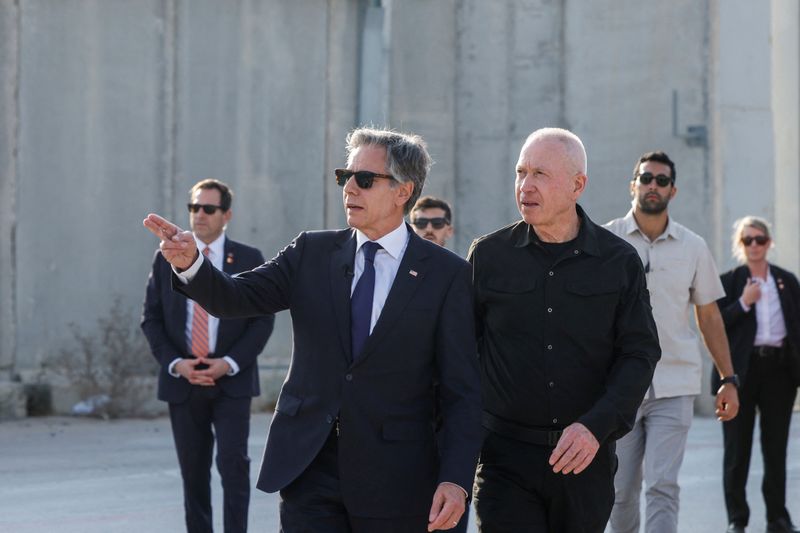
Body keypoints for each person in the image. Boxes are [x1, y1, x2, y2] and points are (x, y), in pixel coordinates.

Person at [143, 127, 483, 532]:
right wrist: (191, 264)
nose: (349, 189)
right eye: (345, 177)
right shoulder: (311, 252)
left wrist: (456, 479)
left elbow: (462, 391)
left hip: (398, 477)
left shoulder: (447, 275)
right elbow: (234, 298)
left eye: (365, 179)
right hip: (309, 467)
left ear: (403, 191)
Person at [468, 127, 661, 532]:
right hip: (505, 460)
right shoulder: (488, 256)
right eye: (521, 172)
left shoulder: (618, 261)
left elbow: (639, 353)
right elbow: (460, 352)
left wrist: (597, 426)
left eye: (540, 174)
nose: (525, 186)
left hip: (584, 460)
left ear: (578, 185)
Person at [605, 151, 740, 533]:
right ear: (633, 184)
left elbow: (709, 316)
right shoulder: (606, 240)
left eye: (661, 181)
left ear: (673, 191)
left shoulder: (692, 246)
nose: (653, 185)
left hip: (675, 384)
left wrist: (728, 379)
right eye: (646, 178)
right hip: (617, 387)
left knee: (663, 486)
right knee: (620, 490)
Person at [141, 178, 275, 533]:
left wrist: (228, 363)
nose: (199, 215)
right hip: (184, 382)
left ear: (226, 214)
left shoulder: (248, 259)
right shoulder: (167, 257)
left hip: (231, 380)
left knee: (234, 467)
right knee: (193, 474)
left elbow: (261, 321)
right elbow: (151, 319)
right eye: (194, 207)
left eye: (208, 208)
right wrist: (176, 364)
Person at [716, 216, 800, 533]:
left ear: (769, 243)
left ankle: (777, 516)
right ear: (740, 245)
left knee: (775, 447)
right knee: (737, 449)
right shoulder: (730, 281)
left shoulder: (786, 281)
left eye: (760, 239)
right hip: (740, 372)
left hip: (779, 371)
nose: (754, 245)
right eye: (747, 240)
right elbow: (716, 324)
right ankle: (737, 519)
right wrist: (743, 303)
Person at [409, 194, 468, 533]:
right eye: (421, 223)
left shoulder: (464, 277)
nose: (428, 230)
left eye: (436, 224)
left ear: (449, 230)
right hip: (402, 422)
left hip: (450, 422)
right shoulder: (388, 277)